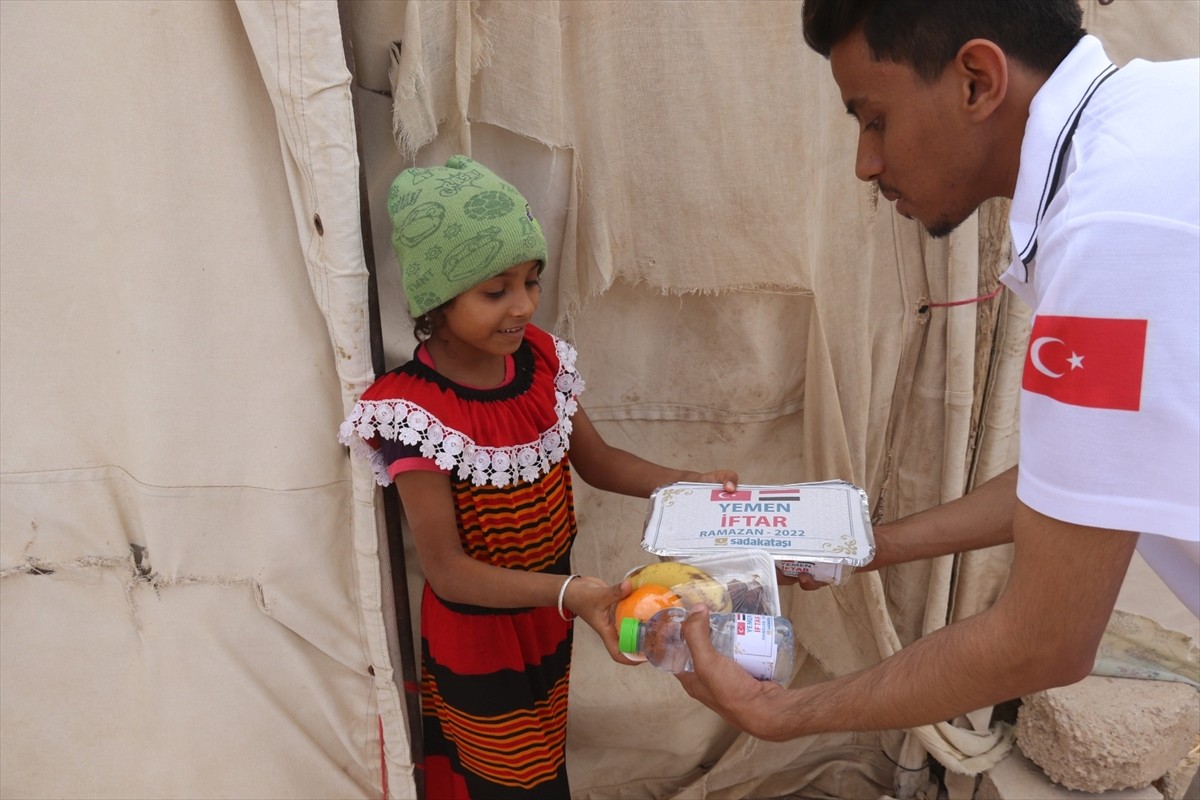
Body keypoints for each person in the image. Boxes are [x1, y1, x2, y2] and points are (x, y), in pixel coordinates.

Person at [675, 0, 1199, 742]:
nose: (866, 163)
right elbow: (1082, 481)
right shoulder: (1157, 122)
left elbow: (1044, 639)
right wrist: (863, 544)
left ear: (978, 81)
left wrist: (777, 711)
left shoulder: (1109, 233)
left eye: (874, 118)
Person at [339, 155, 738, 798]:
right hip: (481, 632)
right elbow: (445, 569)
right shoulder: (412, 411)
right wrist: (572, 592)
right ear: (436, 300)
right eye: (495, 291)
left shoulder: (542, 363)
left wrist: (682, 480)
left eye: (531, 281)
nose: (523, 306)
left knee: (541, 758)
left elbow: (598, 461)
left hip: (548, 616)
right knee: (509, 777)